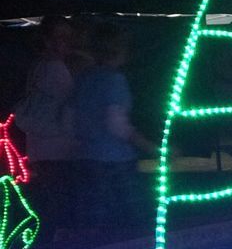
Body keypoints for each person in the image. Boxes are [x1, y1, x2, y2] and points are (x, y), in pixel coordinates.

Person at [72, 24, 158, 232]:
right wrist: (150, 147)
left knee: (95, 216)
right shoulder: (114, 80)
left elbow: (71, 116)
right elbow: (117, 125)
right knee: (130, 215)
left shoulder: (84, 79)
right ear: (119, 50)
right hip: (116, 160)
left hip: (88, 155)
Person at [14, 17, 78, 236]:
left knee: (49, 200)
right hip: (55, 147)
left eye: (68, 37)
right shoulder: (54, 68)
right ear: (47, 40)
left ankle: (50, 241)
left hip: (40, 146)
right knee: (58, 203)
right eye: (60, 37)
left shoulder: (39, 66)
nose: (66, 43)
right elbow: (72, 101)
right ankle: (57, 245)